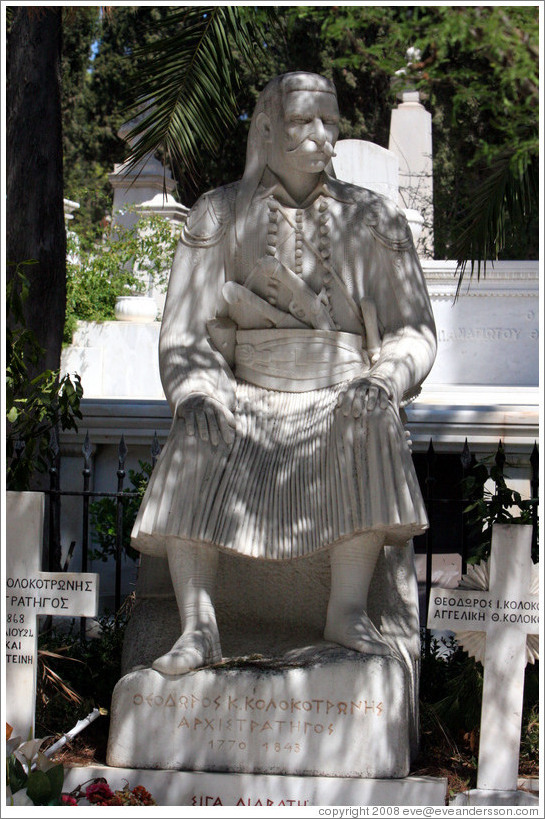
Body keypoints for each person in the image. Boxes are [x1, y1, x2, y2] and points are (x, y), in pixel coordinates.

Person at [131, 72, 437, 675]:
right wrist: (195, 391)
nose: (322, 137)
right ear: (267, 130)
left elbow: (414, 329)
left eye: (331, 123)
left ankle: (346, 612)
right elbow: (186, 333)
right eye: (304, 122)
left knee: (370, 415)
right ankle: (199, 627)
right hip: (243, 391)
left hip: (343, 392)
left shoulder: (376, 219)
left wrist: (386, 379)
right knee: (197, 425)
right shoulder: (216, 216)